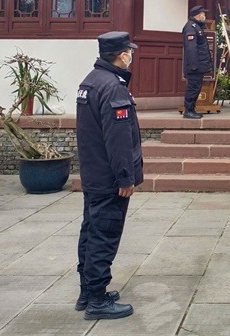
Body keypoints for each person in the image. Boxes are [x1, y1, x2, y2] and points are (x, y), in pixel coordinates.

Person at [75, 31, 143, 321]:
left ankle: (87, 291)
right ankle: (97, 299)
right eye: (130, 52)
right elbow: (118, 138)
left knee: (91, 231)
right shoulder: (113, 87)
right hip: (109, 178)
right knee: (104, 235)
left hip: (94, 173)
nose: (132, 57)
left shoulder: (90, 81)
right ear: (122, 55)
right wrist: (125, 177)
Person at [182, 5, 213, 119]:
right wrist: (194, 64)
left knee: (196, 87)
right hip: (194, 65)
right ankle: (188, 110)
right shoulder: (191, 27)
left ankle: (192, 109)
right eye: (203, 14)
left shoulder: (197, 27)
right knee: (193, 87)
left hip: (199, 65)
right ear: (199, 15)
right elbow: (191, 48)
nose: (205, 16)